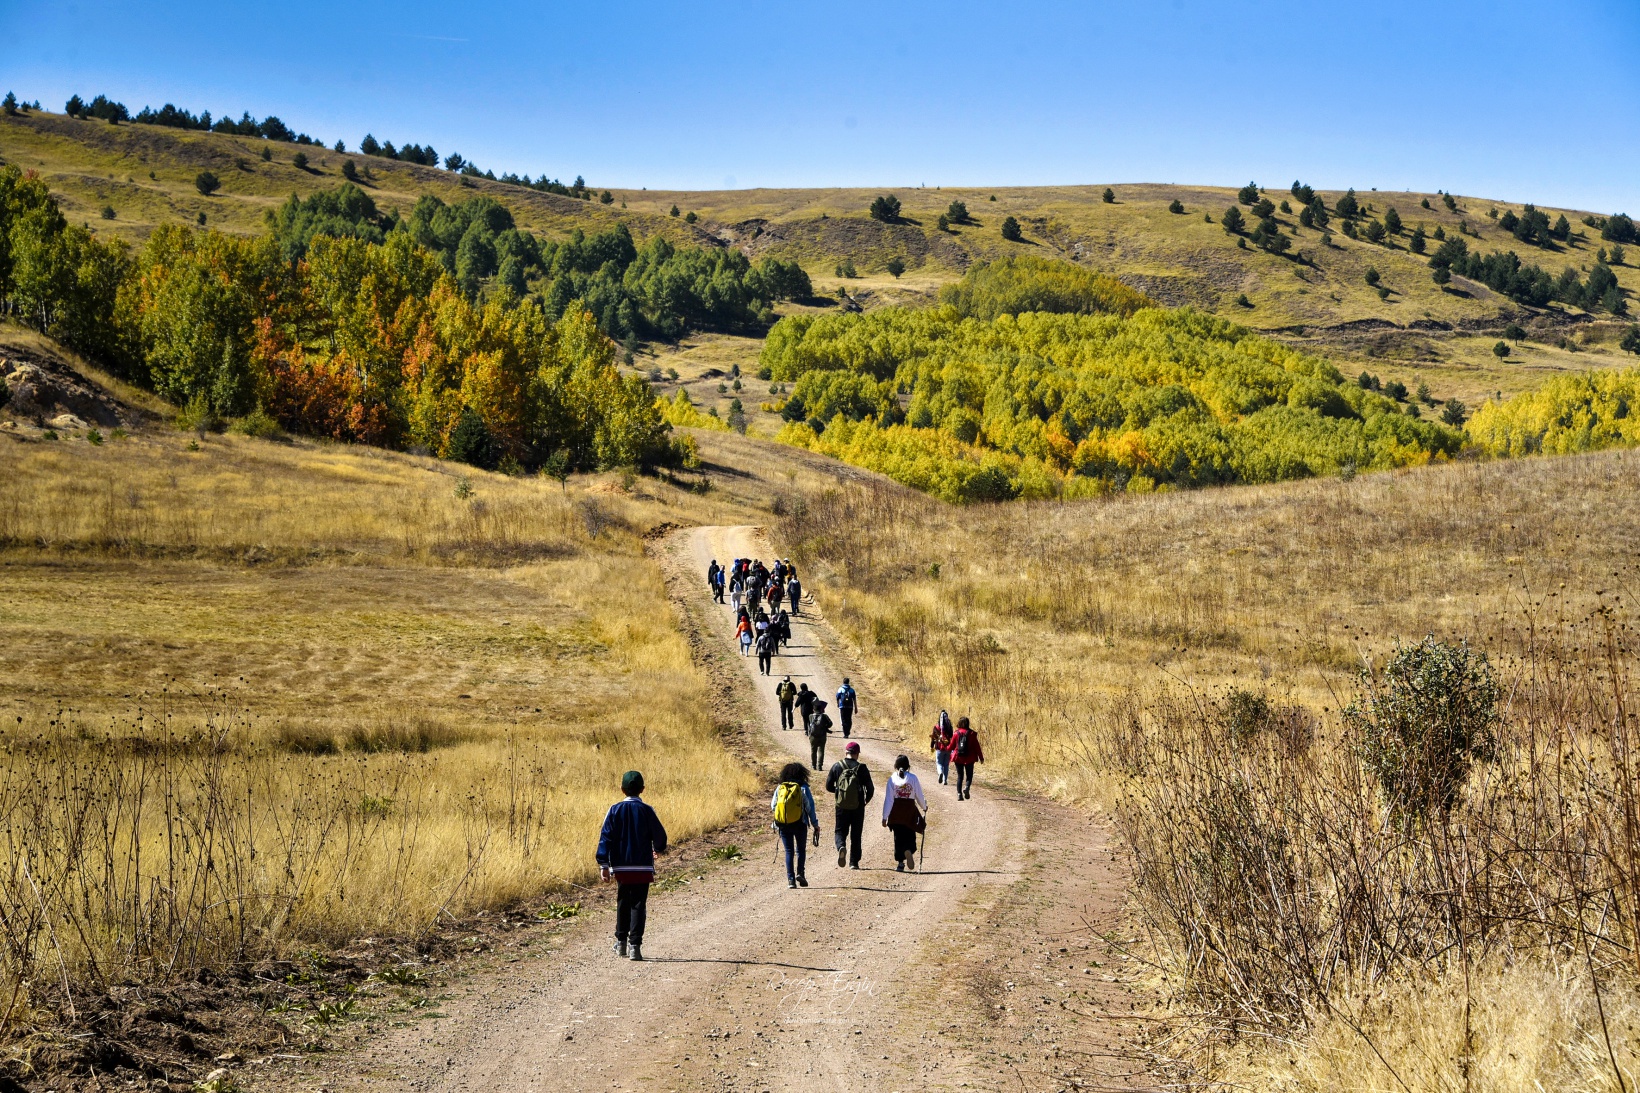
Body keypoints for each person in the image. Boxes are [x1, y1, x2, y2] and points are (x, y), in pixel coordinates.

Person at [596, 770, 669, 961]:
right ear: (642, 789)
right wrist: (658, 849)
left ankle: (621, 944)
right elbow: (660, 836)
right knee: (638, 904)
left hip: (621, 866)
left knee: (623, 902)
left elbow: (606, 837)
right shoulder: (647, 810)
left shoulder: (614, 810)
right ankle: (635, 946)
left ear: (622, 789)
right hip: (643, 866)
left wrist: (604, 864)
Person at [825, 741, 875, 869]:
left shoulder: (837, 766)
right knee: (856, 834)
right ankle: (854, 862)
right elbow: (870, 789)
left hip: (841, 806)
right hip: (858, 806)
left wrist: (839, 792)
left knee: (840, 831)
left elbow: (828, 786)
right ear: (857, 754)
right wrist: (865, 801)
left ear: (846, 752)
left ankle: (841, 846)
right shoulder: (862, 768)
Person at [771, 762, 819, 888]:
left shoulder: (780, 787)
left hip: (783, 824)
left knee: (789, 851)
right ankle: (800, 873)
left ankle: (791, 880)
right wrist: (815, 824)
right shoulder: (803, 787)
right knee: (800, 850)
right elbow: (810, 807)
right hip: (800, 823)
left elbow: (773, 806)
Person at [881, 755, 927, 872]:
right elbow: (919, 796)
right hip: (909, 811)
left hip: (896, 812)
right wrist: (924, 807)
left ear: (896, 766)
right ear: (908, 766)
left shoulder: (892, 779)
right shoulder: (913, 778)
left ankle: (900, 863)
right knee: (910, 834)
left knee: (898, 838)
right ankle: (909, 850)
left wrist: (885, 817)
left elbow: (889, 799)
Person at [950, 716, 984, 800]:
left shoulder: (956, 733)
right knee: (969, 775)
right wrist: (981, 757)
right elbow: (977, 747)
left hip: (958, 757)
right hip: (969, 758)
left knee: (960, 776)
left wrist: (944, 748)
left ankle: (959, 794)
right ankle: (967, 788)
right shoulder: (972, 734)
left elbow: (951, 746)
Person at [806, 699, 833, 771]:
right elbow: (830, 724)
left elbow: (808, 725)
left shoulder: (810, 716)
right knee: (821, 750)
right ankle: (820, 766)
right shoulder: (824, 716)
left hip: (813, 736)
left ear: (813, 709)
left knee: (813, 750)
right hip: (822, 735)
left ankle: (813, 765)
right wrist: (825, 727)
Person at [930, 710, 954, 785]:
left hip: (939, 748)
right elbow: (951, 737)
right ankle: (945, 780)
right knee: (946, 764)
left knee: (939, 763)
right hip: (948, 748)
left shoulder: (936, 727)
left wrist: (932, 746)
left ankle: (940, 772)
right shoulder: (949, 727)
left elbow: (933, 738)